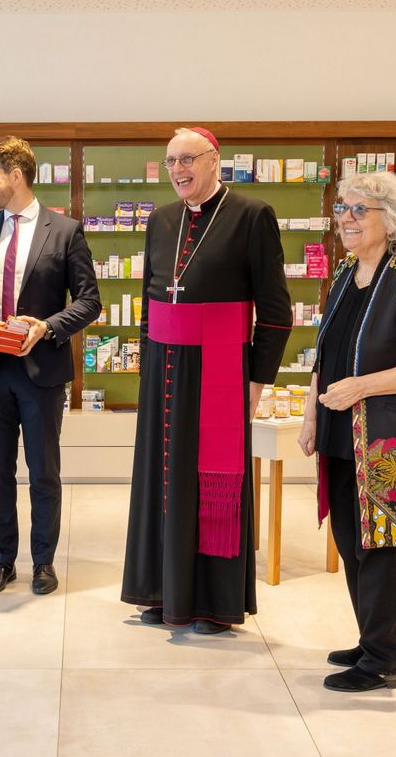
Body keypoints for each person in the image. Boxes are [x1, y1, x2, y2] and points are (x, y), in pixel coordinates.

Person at [121, 127, 292, 633]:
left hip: (219, 369)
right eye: (171, 161)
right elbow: (150, 300)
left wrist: (256, 382)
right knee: (161, 478)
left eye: (188, 159)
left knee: (211, 482)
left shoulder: (251, 215)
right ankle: (161, 592)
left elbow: (277, 313)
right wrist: (147, 365)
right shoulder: (161, 219)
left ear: (215, 160)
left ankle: (214, 604)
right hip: (163, 370)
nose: (178, 170)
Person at [298, 172, 396, 692]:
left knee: (382, 546)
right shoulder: (345, 273)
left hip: (391, 438)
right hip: (341, 431)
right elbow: (324, 353)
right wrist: (311, 415)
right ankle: (376, 640)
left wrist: (361, 387)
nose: (346, 218)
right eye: (342, 208)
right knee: (351, 541)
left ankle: (386, 660)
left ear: (390, 219)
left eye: (359, 209)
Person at [0, 136, 101, 595]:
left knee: (43, 473)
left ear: (16, 175)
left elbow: (89, 300)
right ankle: (2, 561)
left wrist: (48, 327)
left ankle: (43, 563)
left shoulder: (65, 231)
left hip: (41, 372)